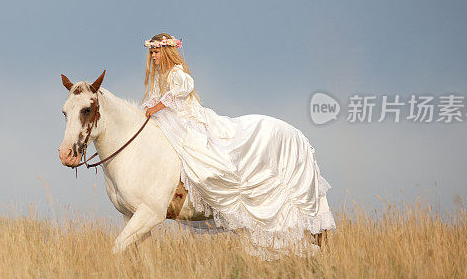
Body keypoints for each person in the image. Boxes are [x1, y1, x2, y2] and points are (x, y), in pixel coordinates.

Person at [141, 32, 336, 257]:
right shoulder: (159, 77)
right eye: (151, 52)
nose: (153, 56)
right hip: (171, 120)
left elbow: (178, 93)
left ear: (166, 52)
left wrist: (156, 109)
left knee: (203, 160)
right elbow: (154, 100)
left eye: (156, 51)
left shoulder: (177, 73)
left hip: (187, 121)